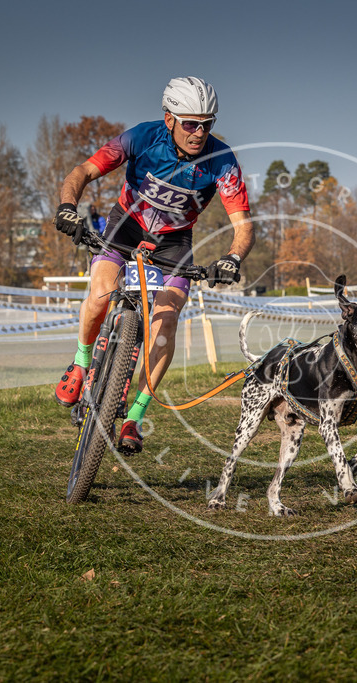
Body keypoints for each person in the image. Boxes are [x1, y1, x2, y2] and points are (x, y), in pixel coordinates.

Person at [53, 76, 253, 454]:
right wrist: (67, 207)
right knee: (101, 293)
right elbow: (83, 172)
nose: (199, 133)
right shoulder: (141, 138)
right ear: (169, 119)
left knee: (166, 321)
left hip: (174, 243)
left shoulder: (222, 161)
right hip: (125, 226)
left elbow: (243, 225)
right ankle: (80, 363)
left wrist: (232, 258)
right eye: (190, 124)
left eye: (207, 124)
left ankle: (135, 415)